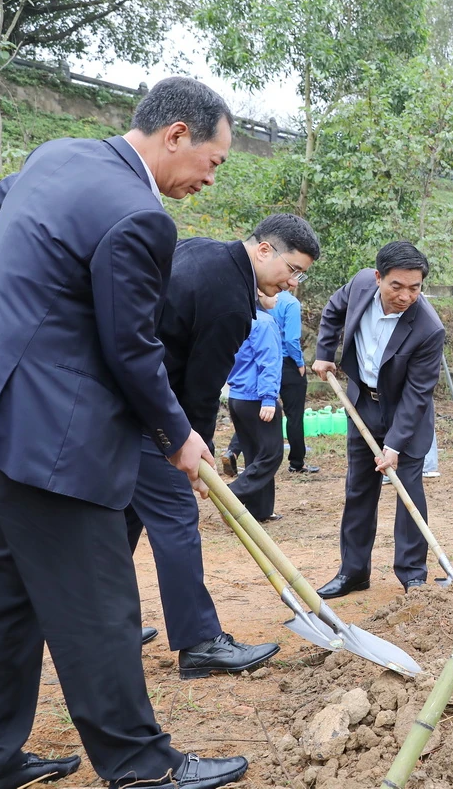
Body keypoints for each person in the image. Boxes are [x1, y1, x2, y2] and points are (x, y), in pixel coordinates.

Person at [0, 77, 249, 789]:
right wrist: (179, 434)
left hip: (4, 414)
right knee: (101, 607)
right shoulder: (141, 216)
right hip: (56, 439)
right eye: (214, 161)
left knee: (10, 601)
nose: (209, 176)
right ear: (176, 135)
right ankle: (141, 766)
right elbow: (131, 346)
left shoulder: (56, 157)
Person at [127, 212, 318, 680]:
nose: (293, 283)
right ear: (264, 250)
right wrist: (192, 452)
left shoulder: (203, 250)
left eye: (301, 276)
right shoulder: (232, 304)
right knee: (176, 521)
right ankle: (199, 643)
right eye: (292, 269)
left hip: (126, 404)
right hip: (155, 415)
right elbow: (202, 386)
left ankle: (111, 625)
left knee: (123, 519)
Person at [312, 242, 445, 598]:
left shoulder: (428, 328)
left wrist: (394, 444)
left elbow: (418, 393)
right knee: (358, 490)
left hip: (406, 414)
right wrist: (325, 353)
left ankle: (413, 575)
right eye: (396, 286)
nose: (405, 296)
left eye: (415, 288)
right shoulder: (358, 286)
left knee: (409, 494)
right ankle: (354, 572)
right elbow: (334, 309)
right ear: (378, 278)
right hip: (362, 405)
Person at [226, 293, 285, 521]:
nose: (279, 296)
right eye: (275, 291)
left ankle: (259, 511)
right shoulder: (265, 322)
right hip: (257, 398)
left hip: (237, 397)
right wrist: (269, 398)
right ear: (259, 293)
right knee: (271, 454)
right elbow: (268, 361)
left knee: (254, 454)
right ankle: (231, 494)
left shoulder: (240, 319)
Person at [272, 288, 319, 474]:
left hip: (265, 360)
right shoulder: (290, 303)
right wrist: (299, 362)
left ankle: (234, 450)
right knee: (294, 415)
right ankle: (297, 462)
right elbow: (292, 340)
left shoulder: (261, 298)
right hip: (287, 363)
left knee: (259, 408)